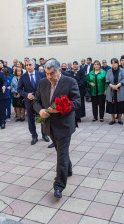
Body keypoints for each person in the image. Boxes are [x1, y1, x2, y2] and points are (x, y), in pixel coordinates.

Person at [33, 59, 81, 199]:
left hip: (64, 125)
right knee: (61, 152)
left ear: (59, 70)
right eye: (47, 73)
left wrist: (59, 109)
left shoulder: (70, 82)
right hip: (49, 125)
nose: (49, 77)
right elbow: (36, 101)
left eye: (52, 73)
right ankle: (69, 169)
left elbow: (77, 102)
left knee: (61, 156)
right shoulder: (43, 83)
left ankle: (59, 185)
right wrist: (40, 110)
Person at [18, 59, 50, 145]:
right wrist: (26, 94)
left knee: (43, 117)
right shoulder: (23, 77)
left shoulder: (41, 74)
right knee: (31, 119)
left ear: (34, 66)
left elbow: (47, 86)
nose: (28, 67)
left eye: (30, 65)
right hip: (29, 101)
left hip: (41, 101)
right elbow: (19, 89)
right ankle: (34, 136)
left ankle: (44, 134)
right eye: (27, 65)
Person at [106, 57, 124, 125]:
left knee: (120, 105)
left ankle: (120, 120)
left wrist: (117, 86)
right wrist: (112, 86)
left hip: (119, 89)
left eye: (115, 63)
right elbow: (107, 80)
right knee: (111, 105)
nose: (114, 64)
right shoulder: (109, 71)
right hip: (111, 90)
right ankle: (113, 119)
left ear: (118, 63)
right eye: (112, 63)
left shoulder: (122, 70)